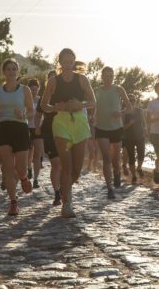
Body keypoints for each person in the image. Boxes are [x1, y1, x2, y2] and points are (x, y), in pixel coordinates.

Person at [41, 48, 95, 217]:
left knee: (77, 169)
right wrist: (56, 107)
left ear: (74, 62)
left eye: (70, 62)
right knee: (66, 165)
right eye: (64, 62)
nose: (67, 65)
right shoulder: (53, 81)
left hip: (79, 122)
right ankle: (67, 205)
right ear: (60, 63)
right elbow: (44, 105)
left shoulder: (82, 79)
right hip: (61, 123)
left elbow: (93, 102)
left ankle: (65, 192)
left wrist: (80, 104)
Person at [0, 58, 34, 216]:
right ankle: (13, 202)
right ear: (4, 72)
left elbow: (31, 111)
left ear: (18, 72)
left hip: (20, 128)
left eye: (14, 69)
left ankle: (23, 178)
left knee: (20, 168)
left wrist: (23, 114)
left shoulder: (25, 90)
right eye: (8, 69)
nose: (11, 71)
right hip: (3, 128)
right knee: (7, 167)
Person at [94, 66, 132, 199]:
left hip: (116, 128)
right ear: (102, 77)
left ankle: (117, 172)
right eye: (106, 76)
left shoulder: (119, 89)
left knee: (115, 158)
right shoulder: (96, 91)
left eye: (111, 76)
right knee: (106, 158)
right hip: (101, 128)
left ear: (113, 77)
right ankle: (109, 188)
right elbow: (94, 107)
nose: (108, 78)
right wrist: (92, 116)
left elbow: (129, 108)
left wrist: (120, 113)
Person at [36, 70, 62, 205]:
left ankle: (64, 187)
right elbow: (38, 114)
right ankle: (57, 192)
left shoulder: (63, 94)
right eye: (50, 78)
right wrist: (37, 127)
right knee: (56, 163)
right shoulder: (44, 97)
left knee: (64, 163)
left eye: (55, 78)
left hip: (64, 130)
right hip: (49, 131)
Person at [122, 94, 146, 184]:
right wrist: (130, 124)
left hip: (140, 137)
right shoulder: (124, 113)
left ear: (135, 101)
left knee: (141, 155)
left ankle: (139, 168)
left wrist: (145, 130)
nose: (132, 102)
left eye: (133, 100)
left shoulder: (140, 111)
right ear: (126, 102)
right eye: (130, 100)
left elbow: (144, 123)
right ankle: (134, 177)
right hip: (129, 138)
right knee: (131, 158)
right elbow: (122, 127)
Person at [27, 78, 44, 188]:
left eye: (35, 89)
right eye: (32, 89)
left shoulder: (41, 100)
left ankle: (36, 179)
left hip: (38, 129)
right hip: (27, 128)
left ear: (38, 89)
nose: (34, 91)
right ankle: (29, 168)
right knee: (29, 153)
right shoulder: (25, 100)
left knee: (37, 154)